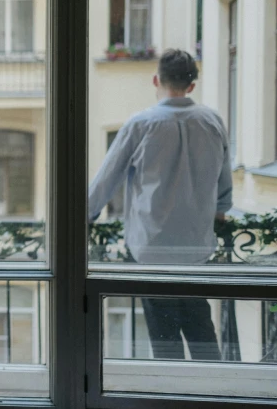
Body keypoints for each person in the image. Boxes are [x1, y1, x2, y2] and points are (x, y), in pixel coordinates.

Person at [88, 49, 233, 361]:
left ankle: (173, 394)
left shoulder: (140, 124)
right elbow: (224, 181)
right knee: (200, 326)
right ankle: (211, 390)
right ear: (192, 85)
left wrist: (86, 215)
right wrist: (220, 210)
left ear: (156, 80)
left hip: (151, 249)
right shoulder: (212, 121)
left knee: (164, 335)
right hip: (196, 246)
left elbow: (107, 178)